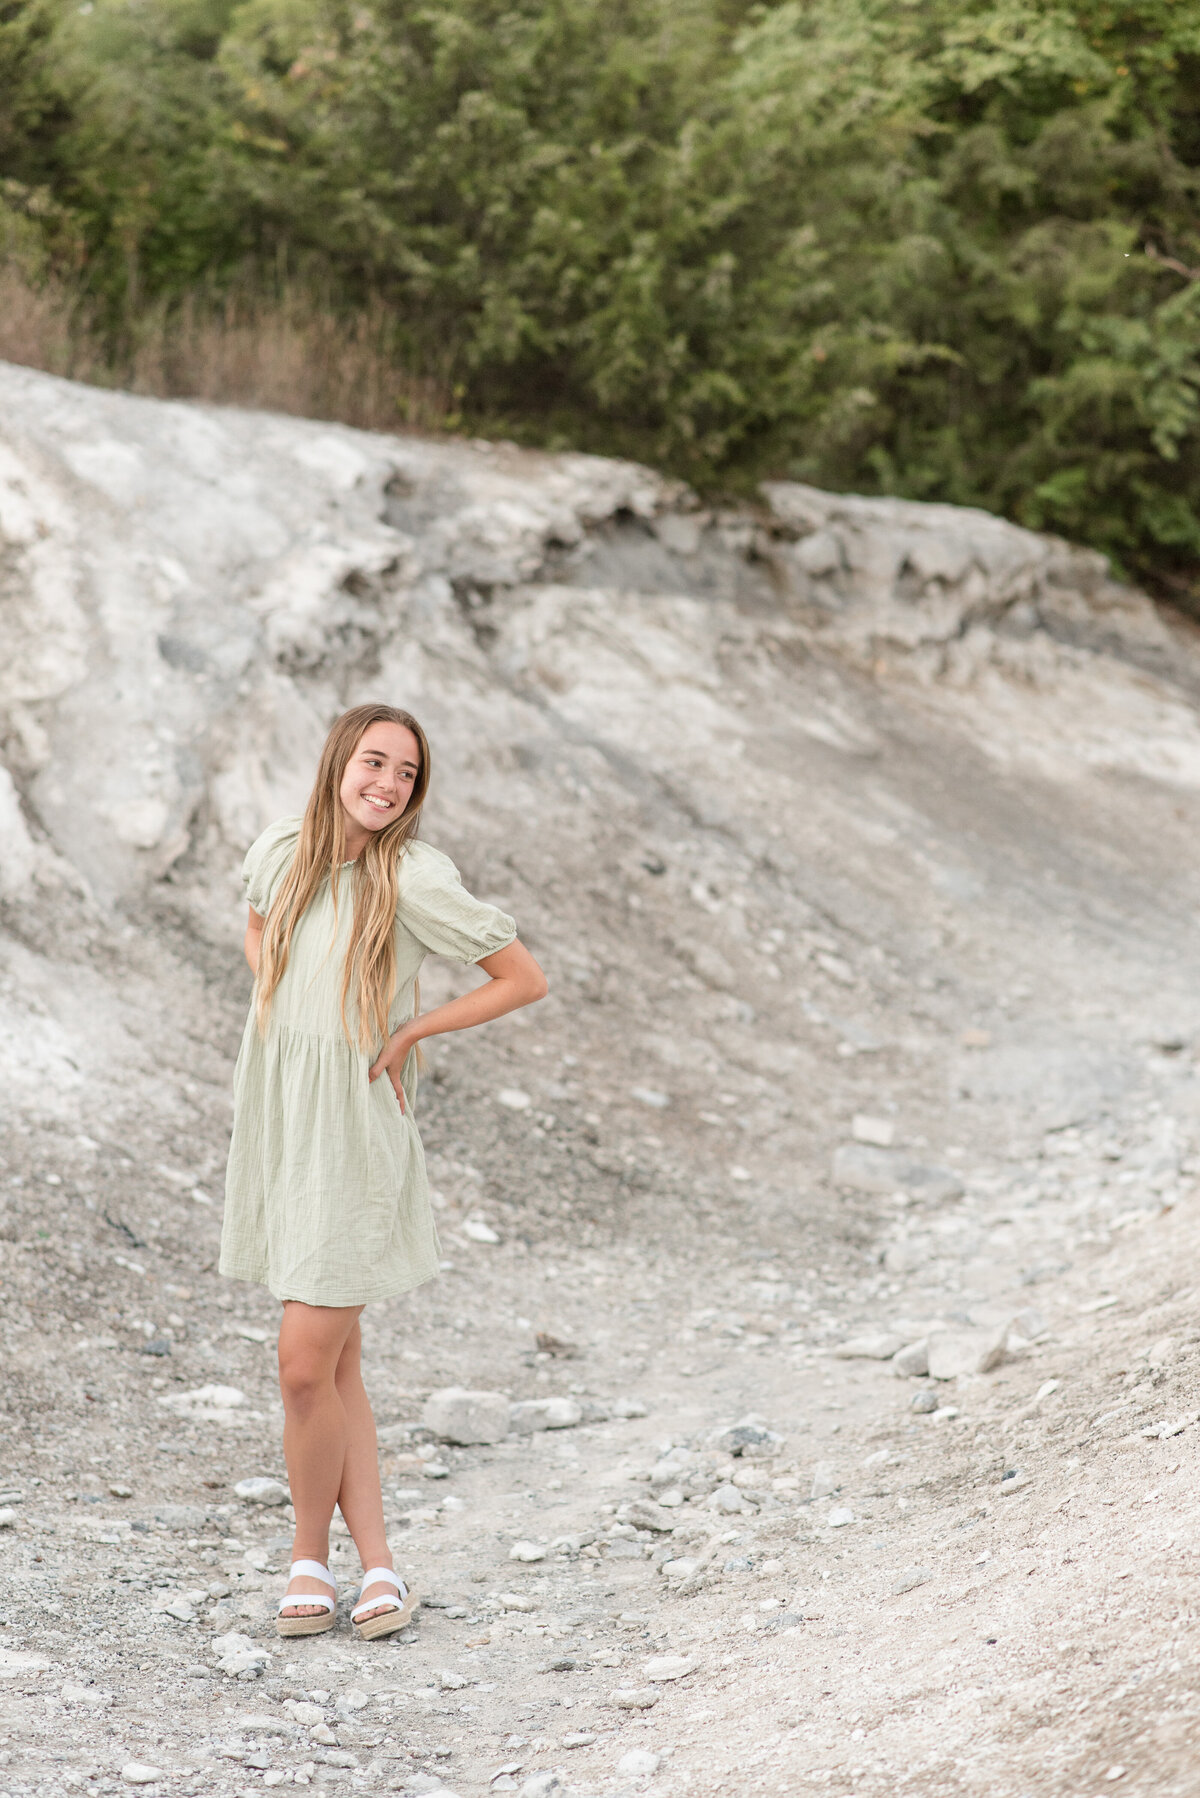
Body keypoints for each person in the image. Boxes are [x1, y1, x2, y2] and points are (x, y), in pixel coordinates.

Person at [220, 703, 548, 1640]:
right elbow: (254, 926)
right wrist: (277, 1000)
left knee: (299, 1365)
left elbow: (520, 978)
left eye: (407, 773)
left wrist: (406, 1029)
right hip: (285, 1117)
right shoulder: (283, 847)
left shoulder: (414, 875)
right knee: (337, 1367)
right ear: (338, 763)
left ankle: (304, 1557)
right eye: (376, 761)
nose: (390, 784)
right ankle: (380, 1570)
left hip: (357, 1129)